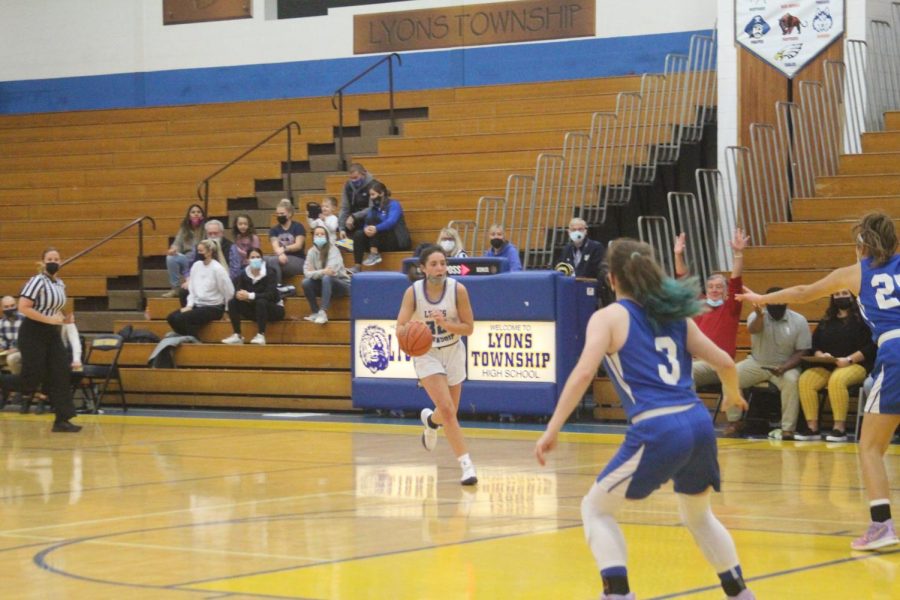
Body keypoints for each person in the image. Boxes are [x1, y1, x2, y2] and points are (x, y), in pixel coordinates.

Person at [534, 239, 754, 600]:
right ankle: (740, 593)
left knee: (595, 509)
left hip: (658, 427)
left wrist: (552, 428)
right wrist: (731, 393)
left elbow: (582, 373)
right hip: (698, 423)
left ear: (613, 279)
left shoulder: (607, 318)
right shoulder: (677, 317)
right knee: (700, 517)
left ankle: (618, 595)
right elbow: (727, 363)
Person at [738, 212, 900, 551]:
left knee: (870, 447)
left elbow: (802, 291)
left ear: (861, 244)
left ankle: (882, 525)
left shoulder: (855, 273)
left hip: (895, 352)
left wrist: (763, 299)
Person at [396, 245, 478, 486]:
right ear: (423, 268)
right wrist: (411, 332)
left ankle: (431, 422)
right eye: (434, 263)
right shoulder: (413, 293)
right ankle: (467, 466)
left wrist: (447, 325)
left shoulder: (458, 290)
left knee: (447, 411)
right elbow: (400, 327)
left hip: (453, 350)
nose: (440, 268)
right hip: (426, 354)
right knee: (448, 409)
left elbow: (469, 328)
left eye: (443, 263)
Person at [793, 290, 874, 443]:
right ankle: (812, 427)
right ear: (832, 298)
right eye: (836, 294)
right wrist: (819, 355)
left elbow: (871, 346)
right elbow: (815, 343)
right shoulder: (827, 320)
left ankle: (839, 428)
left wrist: (849, 360)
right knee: (805, 380)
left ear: (852, 296)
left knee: (837, 380)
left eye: (844, 293)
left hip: (856, 364)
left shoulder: (864, 319)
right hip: (827, 365)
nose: (840, 297)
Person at [674, 229, 749, 391]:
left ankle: (692, 414)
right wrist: (678, 255)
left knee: (686, 373)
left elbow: (736, 279)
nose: (714, 290)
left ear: (725, 291)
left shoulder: (731, 308)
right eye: (711, 287)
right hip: (697, 361)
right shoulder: (699, 304)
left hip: (719, 363)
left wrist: (738, 254)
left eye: (719, 287)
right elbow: (683, 280)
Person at [732, 288, 811, 440]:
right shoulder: (756, 316)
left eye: (779, 301)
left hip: (786, 366)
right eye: (772, 301)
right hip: (757, 363)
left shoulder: (799, 320)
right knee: (731, 375)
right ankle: (735, 422)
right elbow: (753, 329)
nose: (776, 305)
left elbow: (803, 351)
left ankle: (788, 429)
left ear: (787, 302)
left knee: (791, 380)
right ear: (766, 302)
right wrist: (759, 316)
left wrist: (785, 367)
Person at [16, 248, 81, 432]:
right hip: (32, 332)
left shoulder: (60, 284)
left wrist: (63, 318)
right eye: (50, 258)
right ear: (43, 262)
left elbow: (55, 308)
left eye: (56, 258)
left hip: (52, 333)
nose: (53, 261)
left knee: (61, 373)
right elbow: (23, 307)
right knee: (32, 377)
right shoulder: (37, 281)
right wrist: (49, 320)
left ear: (61, 262)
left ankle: (62, 419)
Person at [166, 239, 235, 338]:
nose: (198, 254)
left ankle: (193, 339)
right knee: (171, 318)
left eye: (201, 251)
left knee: (183, 318)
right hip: (198, 304)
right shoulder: (196, 266)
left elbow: (229, 291)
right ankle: (186, 335)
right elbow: (192, 289)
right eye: (198, 251)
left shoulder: (218, 269)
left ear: (209, 252)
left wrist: (227, 311)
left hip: (213, 307)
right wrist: (189, 305)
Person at [222, 248, 283, 345]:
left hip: (273, 308)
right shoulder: (244, 274)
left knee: (261, 301)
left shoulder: (270, 272)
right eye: (252, 257)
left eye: (258, 257)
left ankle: (261, 335)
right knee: (232, 302)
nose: (255, 259)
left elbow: (270, 295)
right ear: (247, 260)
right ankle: (237, 335)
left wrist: (249, 296)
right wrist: (239, 295)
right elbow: (238, 290)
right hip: (254, 309)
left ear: (262, 259)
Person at [352, 181, 411, 271]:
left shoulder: (394, 204)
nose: (371, 198)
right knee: (359, 234)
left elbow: (391, 222)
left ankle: (374, 253)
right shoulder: (373, 209)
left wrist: (376, 228)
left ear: (382, 193)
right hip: (379, 240)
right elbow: (367, 223)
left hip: (397, 239)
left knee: (375, 222)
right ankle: (357, 266)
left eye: (373, 194)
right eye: (370, 195)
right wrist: (366, 229)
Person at [302, 226, 351, 325]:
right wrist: (323, 271)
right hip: (324, 284)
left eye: (322, 234)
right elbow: (306, 273)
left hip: (341, 284)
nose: (319, 236)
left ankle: (323, 311)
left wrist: (315, 272)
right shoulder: (311, 252)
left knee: (327, 278)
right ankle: (315, 312)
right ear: (313, 237)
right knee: (305, 282)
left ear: (327, 236)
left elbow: (332, 271)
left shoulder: (333, 250)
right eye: (317, 234)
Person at [164, 204, 205, 297]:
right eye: (193, 212)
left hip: (201, 259)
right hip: (187, 259)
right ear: (189, 215)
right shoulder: (184, 229)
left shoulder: (205, 228)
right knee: (170, 258)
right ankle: (175, 289)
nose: (196, 214)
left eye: (198, 212)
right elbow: (176, 244)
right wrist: (173, 250)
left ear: (202, 215)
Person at [265, 199, 306, 285]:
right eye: (278, 214)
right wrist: (280, 254)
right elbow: (275, 247)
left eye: (282, 214)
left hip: (298, 259)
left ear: (290, 214)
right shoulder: (274, 230)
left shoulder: (298, 226)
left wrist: (284, 249)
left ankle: (278, 288)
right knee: (263, 259)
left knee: (272, 261)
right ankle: (276, 287)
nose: (279, 216)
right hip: (280, 258)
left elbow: (298, 245)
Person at [339, 163, 375, 241]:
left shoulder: (373, 185)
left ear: (363, 173)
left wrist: (354, 216)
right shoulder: (347, 186)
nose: (353, 180)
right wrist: (342, 228)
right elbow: (345, 208)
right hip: (352, 221)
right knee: (342, 243)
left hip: (368, 219)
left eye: (356, 177)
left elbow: (372, 208)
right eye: (351, 178)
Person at [229, 213, 261, 279]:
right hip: (239, 265)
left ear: (249, 225)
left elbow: (255, 255)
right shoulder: (237, 237)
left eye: (245, 224)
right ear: (236, 225)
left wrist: (238, 251)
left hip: (251, 265)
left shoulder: (254, 237)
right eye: (240, 224)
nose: (243, 226)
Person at [0, 295, 23, 375]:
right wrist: (1, 347)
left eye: (12, 306)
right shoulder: (1, 323)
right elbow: (2, 339)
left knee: (11, 358)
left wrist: (17, 348)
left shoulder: (25, 320)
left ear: (16, 305)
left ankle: (19, 384)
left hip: (22, 351)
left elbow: (30, 341)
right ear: (2, 309)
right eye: (6, 307)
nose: (10, 309)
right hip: (8, 351)